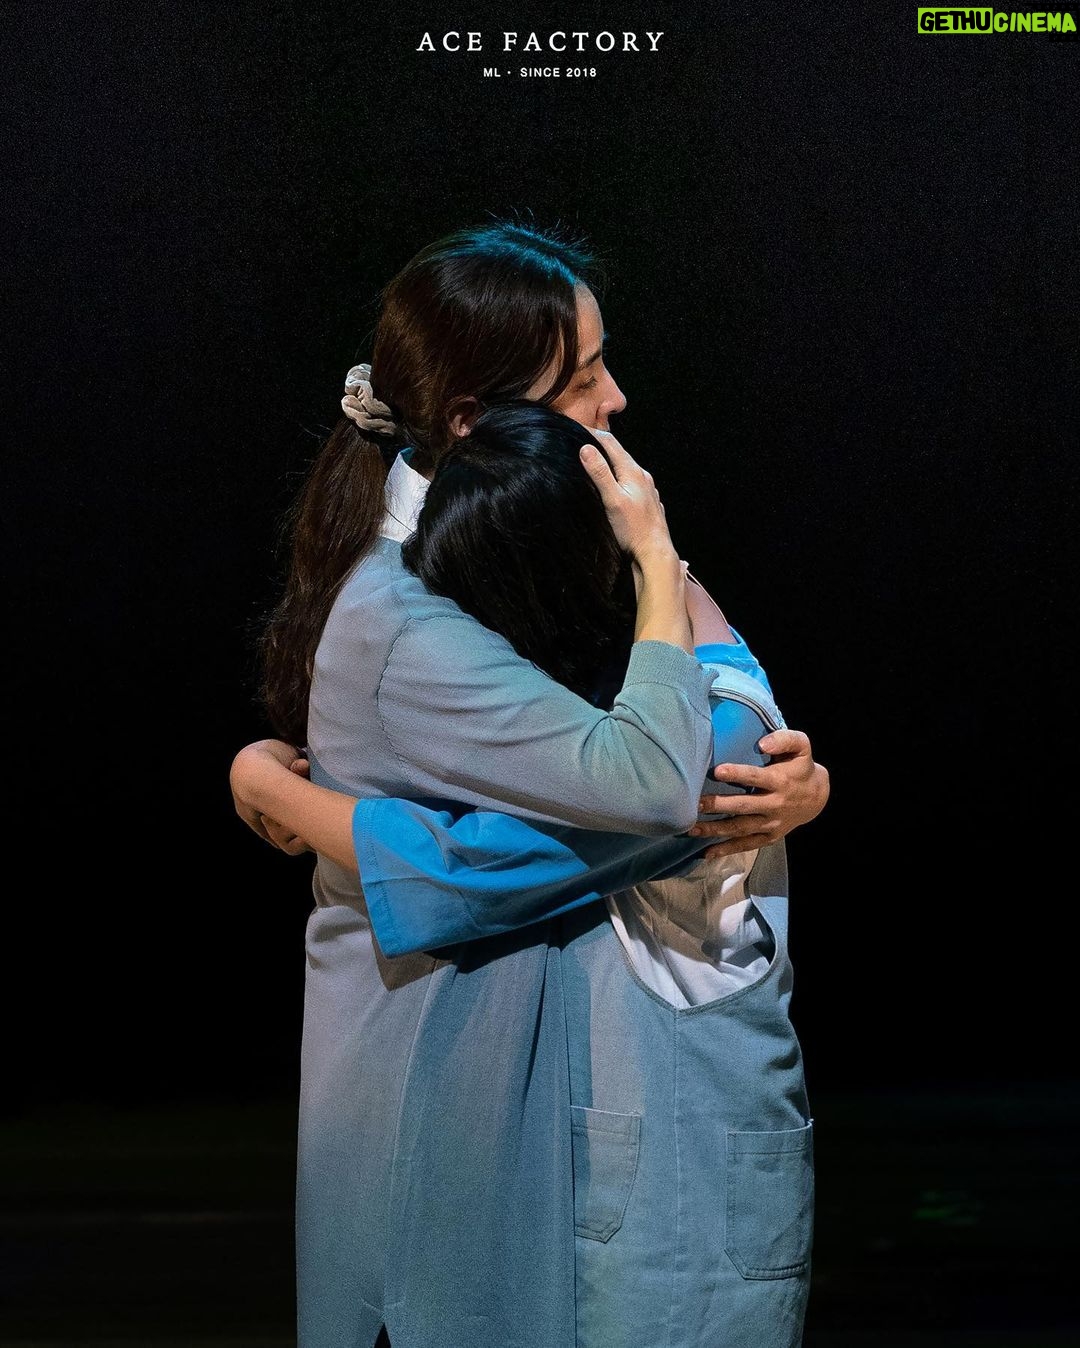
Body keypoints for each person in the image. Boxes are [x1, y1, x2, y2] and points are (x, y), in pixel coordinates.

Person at [231, 220, 829, 1348]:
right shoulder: (418, 616)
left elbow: (674, 754)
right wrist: (730, 752)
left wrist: (768, 766)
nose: (616, 398)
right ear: (472, 418)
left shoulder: (526, 533)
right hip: (442, 1092)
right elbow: (641, 795)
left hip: (543, 1081)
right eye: (584, 376)